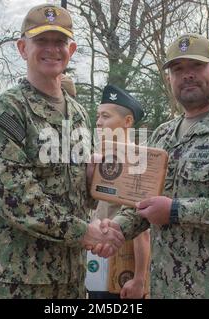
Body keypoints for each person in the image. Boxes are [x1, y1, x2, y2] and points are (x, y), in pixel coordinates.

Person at [96, 33, 209, 298]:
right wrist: (117, 228)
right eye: (178, 69)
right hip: (165, 288)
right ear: (169, 80)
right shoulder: (162, 136)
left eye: (196, 66)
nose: (187, 75)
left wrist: (177, 211)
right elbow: (141, 202)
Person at [0, 3, 124, 299]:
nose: (52, 49)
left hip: (70, 278)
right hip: (15, 280)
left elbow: (79, 191)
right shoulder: (7, 111)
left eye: (60, 41)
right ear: (22, 47)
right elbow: (16, 198)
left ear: (72, 49)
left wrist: (95, 179)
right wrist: (86, 232)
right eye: (41, 40)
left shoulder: (77, 113)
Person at [88, 84, 150, 299]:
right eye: (98, 116)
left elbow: (142, 231)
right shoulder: (104, 158)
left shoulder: (136, 162)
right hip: (97, 264)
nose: (98, 122)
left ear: (127, 121)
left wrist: (140, 280)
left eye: (105, 116)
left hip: (122, 270)